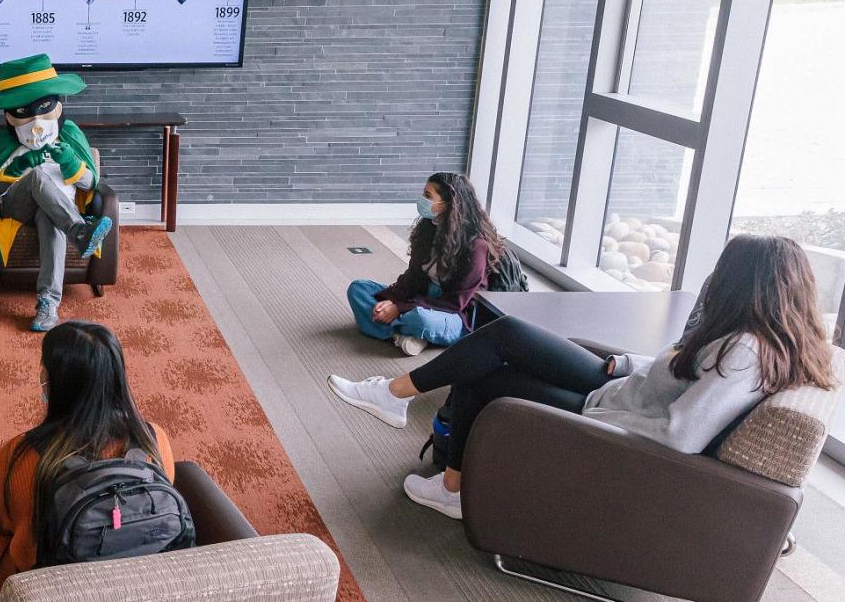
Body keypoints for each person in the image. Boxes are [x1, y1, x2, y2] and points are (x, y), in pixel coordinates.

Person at [326, 235, 836, 519]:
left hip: (609, 420)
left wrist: (601, 410)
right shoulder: (758, 338)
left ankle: (430, 451)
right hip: (615, 389)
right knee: (504, 336)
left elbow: (681, 435)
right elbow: (677, 373)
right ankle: (411, 421)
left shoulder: (746, 353)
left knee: (489, 371)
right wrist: (625, 366)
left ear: (743, 283)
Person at [0, 321, 172, 596]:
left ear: (56, 383)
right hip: (137, 593)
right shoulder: (153, 439)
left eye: (44, 367)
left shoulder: (21, 454)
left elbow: (2, 526)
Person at [0, 53, 115, 333]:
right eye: (24, 111)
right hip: (17, 207)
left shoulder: (71, 134)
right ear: (9, 116)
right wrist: (20, 165)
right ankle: (80, 232)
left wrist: (70, 162)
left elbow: (90, 184)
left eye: (43, 107)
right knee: (38, 175)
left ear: (58, 108)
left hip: (55, 210)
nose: (35, 120)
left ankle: (48, 303)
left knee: (50, 221)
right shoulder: (6, 141)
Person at [347, 172, 501, 356]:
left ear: (449, 203)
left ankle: (393, 329)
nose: (422, 200)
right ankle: (404, 335)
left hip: (453, 313)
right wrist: (393, 300)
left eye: (428, 196)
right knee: (358, 289)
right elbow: (413, 276)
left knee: (420, 319)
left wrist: (400, 308)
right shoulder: (429, 227)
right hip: (421, 297)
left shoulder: (476, 246)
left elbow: (455, 303)